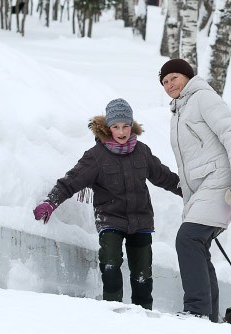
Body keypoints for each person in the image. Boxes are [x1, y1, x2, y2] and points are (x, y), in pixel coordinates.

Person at [33, 98, 182, 310]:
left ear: (132, 126)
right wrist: (51, 201)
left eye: (126, 126)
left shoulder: (142, 152)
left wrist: (187, 190)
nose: (121, 132)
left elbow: (163, 176)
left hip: (140, 220)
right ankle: (113, 311)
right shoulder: (96, 157)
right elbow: (72, 181)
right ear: (107, 127)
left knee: (142, 274)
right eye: (116, 127)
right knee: (110, 264)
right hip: (110, 219)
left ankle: (144, 315)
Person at [159, 58, 231, 322]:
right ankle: (209, 316)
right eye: (165, 82)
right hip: (204, 186)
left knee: (188, 238)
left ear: (187, 76)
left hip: (221, 180)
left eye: (173, 77)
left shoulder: (203, 98)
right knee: (197, 243)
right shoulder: (178, 113)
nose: (169, 85)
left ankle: (197, 310)